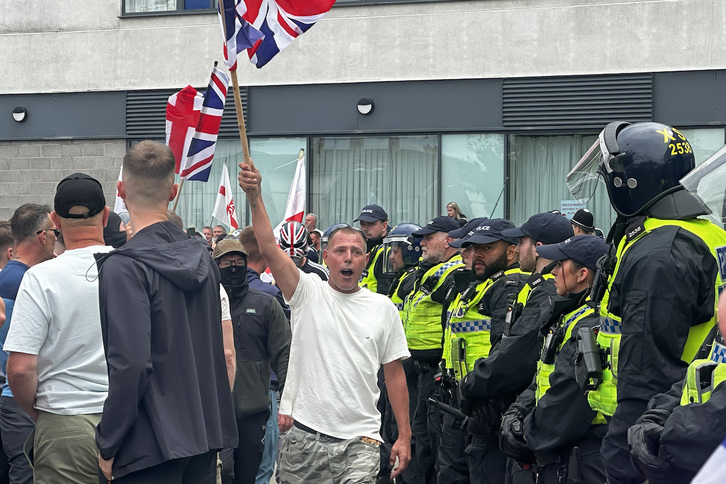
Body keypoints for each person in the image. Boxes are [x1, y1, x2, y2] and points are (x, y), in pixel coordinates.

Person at [566, 121, 726, 484]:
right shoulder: (704, 231)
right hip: (694, 421)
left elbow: (646, 372)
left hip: (656, 434)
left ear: (629, 184)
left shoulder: (659, 252)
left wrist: (622, 461)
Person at [238, 158, 412, 483]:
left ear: (366, 259)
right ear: (326, 256)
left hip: (361, 440)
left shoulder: (382, 308)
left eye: (356, 252)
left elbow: (394, 375)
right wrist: (255, 195)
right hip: (304, 438)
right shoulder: (306, 292)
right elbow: (268, 247)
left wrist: (404, 435)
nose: (348, 257)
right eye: (341, 250)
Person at [95, 140, 237, 482]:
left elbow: (131, 364)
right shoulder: (204, 257)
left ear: (120, 190)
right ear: (173, 191)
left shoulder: (123, 267)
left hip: (148, 446)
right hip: (201, 439)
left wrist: (107, 443)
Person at [626, 145, 726, 484]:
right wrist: (658, 416)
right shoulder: (706, 234)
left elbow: (647, 362)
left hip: (686, 447)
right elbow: (708, 355)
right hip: (685, 425)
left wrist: (657, 433)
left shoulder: (664, 248)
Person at [4, 173, 113, 483]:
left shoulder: (40, 278)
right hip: (131, 422)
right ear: (105, 216)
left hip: (64, 422)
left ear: (55, 220)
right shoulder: (134, 270)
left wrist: (41, 415)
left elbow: (21, 369)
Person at [502, 235, 609, 483]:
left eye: (560, 265)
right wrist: (517, 412)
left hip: (582, 455)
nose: (553, 271)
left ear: (582, 274)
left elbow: (568, 393)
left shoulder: (592, 324)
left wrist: (527, 434)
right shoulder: (570, 315)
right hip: (562, 453)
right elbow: (543, 377)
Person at [444, 219, 528, 484]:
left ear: (512, 251)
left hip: (489, 404)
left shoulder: (508, 285)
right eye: (474, 248)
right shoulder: (484, 283)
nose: (478, 255)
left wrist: (480, 396)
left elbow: (504, 353)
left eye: (488, 248)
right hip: (466, 395)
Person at [212, 239, 290, 484]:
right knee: (221, 473)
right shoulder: (203, 304)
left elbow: (285, 353)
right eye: (226, 262)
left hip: (253, 412)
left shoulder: (265, 304)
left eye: (238, 261)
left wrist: (289, 401)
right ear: (216, 265)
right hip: (214, 412)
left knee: (250, 476)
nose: (233, 267)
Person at [403, 215, 463, 483]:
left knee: (432, 442)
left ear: (448, 240)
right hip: (419, 372)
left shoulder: (453, 274)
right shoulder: (430, 270)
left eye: (429, 238)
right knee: (421, 436)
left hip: (437, 373)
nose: (422, 243)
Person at [0, 203, 57, 484]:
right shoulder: (32, 283)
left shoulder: (5, 278)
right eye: (55, 232)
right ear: (42, 235)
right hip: (21, 398)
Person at [237, 226, 289, 484]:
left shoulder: (215, 288)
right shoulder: (269, 296)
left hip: (223, 393)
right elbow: (285, 350)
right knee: (262, 468)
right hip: (263, 392)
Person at [355, 204, 394, 295]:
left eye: (371, 224)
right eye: (362, 224)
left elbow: (385, 290)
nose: (365, 228)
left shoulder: (390, 251)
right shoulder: (362, 245)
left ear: (384, 226)